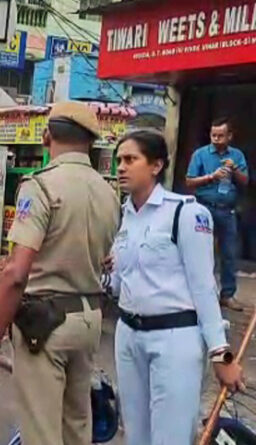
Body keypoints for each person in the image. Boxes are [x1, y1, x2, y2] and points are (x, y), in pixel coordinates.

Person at [0, 102, 120, 445]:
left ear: (47, 136)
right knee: (76, 426)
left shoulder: (40, 187)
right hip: (89, 318)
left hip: (46, 324)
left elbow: (15, 274)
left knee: (40, 431)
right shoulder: (108, 192)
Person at [108, 130, 245, 444]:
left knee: (171, 437)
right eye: (119, 160)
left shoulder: (186, 213)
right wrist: (108, 273)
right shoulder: (126, 215)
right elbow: (119, 283)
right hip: (128, 335)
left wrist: (222, 358)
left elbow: (204, 289)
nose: (121, 167)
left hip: (174, 339)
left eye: (130, 159)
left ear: (156, 166)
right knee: (136, 435)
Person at [185, 117, 250, 311]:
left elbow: (245, 182)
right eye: (213, 135)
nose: (216, 139)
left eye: (221, 136)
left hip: (227, 210)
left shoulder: (237, 156)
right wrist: (212, 177)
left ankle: (227, 295)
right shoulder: (200, 154)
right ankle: (196, 294)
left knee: (229, 254)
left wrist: (235, 169)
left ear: (229, 136)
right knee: (200, 252)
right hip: (203, 208)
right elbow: (189, 181)